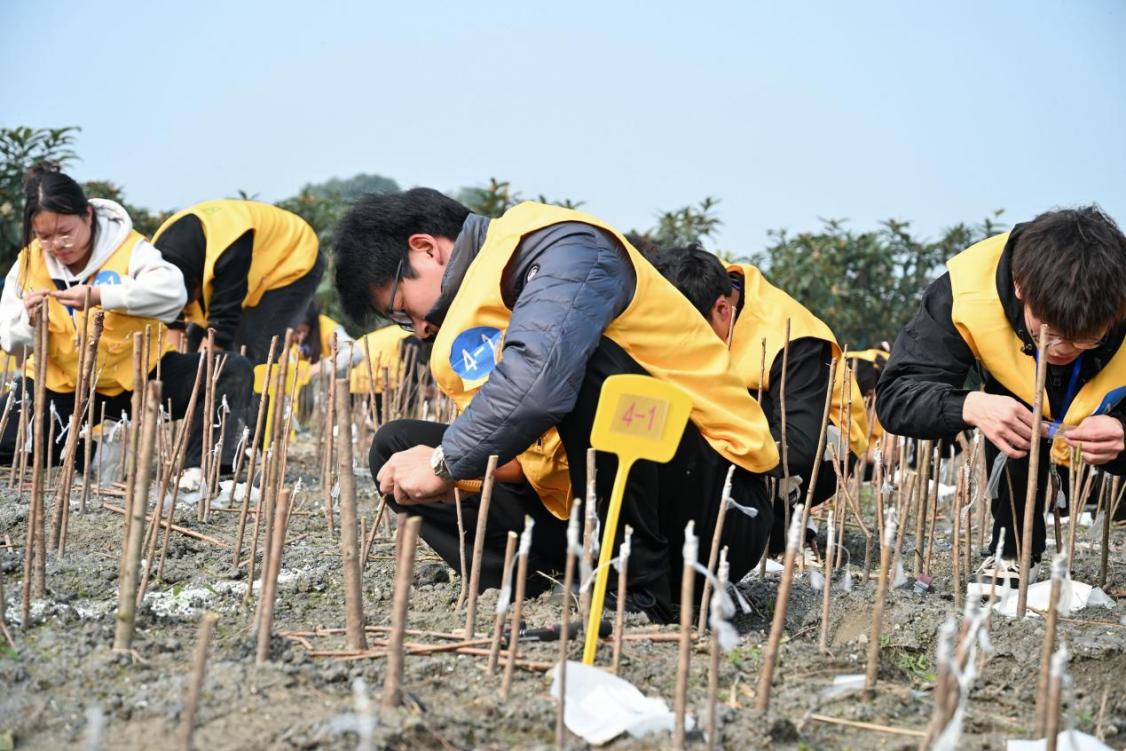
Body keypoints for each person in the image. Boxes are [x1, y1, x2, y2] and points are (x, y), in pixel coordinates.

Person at [333, 188, 779, 622]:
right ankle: (530, 585)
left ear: (426, 249)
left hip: (715, 506)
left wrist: (445, 462)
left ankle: (642, 593)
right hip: (590, 510)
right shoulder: (480, 314)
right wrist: (456, 474)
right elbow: (529, 458)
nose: (419, 330)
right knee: (396, 447)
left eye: (401, 310)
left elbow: (540, 383)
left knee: (573, 360)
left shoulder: (567, 248)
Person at [876, 206, 1126, 580]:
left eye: (1086, 338)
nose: (1062, 350)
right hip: (1013, 391)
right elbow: (897, 394)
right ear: (1019, 286)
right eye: (1050, 332)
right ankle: (1012, 552)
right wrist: (970, 405)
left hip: (1112, 401)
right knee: (1011, 419)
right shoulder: (965, 291)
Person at [0, 165, 252, 471]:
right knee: (7, 437)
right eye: (44, 237)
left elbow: (172, 293)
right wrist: (28, 320)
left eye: (65, 232)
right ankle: (93, 455)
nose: (57, 245)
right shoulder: (27, 264)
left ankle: (205, 472)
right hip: (62, 386)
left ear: (87, 215)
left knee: (230, 370)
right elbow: (9, 341)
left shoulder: (130, 248)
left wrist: (101, 296)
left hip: (141, 378)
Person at [653, 245, 868, 552]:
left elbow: (800, 445)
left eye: (691, 334)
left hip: (819, 447)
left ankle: (771, 520)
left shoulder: (791, 338)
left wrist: (705, 453)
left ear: (723, 309)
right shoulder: (692, 285)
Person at [151, 200, 324, 364]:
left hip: (295, 255)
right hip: (245, 264)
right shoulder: (154, 262)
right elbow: (171, 322)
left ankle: (255, 385)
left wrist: (198, 378)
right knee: (195, 341)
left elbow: (222, 327)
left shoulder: (228, 250)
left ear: (196, 284)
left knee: (251, 345)